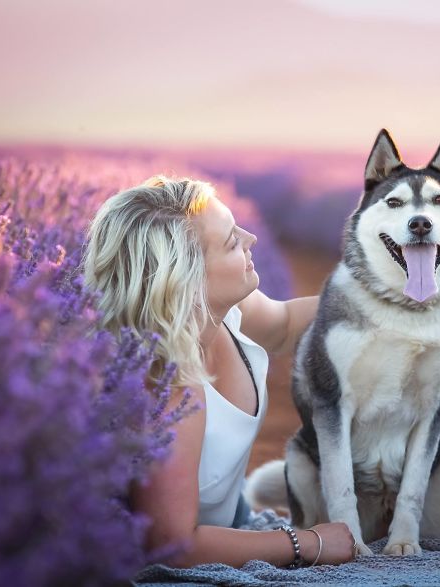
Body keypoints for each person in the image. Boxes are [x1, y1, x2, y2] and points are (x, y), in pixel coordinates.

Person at [81, 175, 355, 568]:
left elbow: (284, 325)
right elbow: (171, 545)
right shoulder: (164, 380)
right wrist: (306, 543)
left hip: (232, 523)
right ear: (186, 279)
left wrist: (381, 295)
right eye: (231, 241)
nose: (251, 238)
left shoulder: (227, 310)